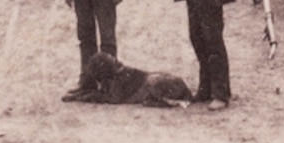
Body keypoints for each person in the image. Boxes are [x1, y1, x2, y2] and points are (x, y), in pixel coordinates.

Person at [65, 51, 193, 107]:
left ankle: (165, 102)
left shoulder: (119, 77)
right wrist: (80, 95)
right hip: (168, 84)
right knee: (153, 81)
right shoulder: (118, 74)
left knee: (154, 81)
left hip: (169, 84)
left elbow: (113, 99)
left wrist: (82, 98)